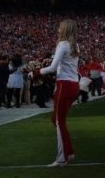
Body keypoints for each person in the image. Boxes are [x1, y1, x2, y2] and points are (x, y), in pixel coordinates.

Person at [38, 20, 81, 167]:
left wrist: (37, 72)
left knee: (59, 121)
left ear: (64, 29)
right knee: (56, 119)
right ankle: (68, 152)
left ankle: (63, 157)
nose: (57, 30)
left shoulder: (63, 44)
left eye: (59, 27)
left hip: (64, 84)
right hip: (74, 84)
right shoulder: (76, 45)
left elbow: (53, 67)